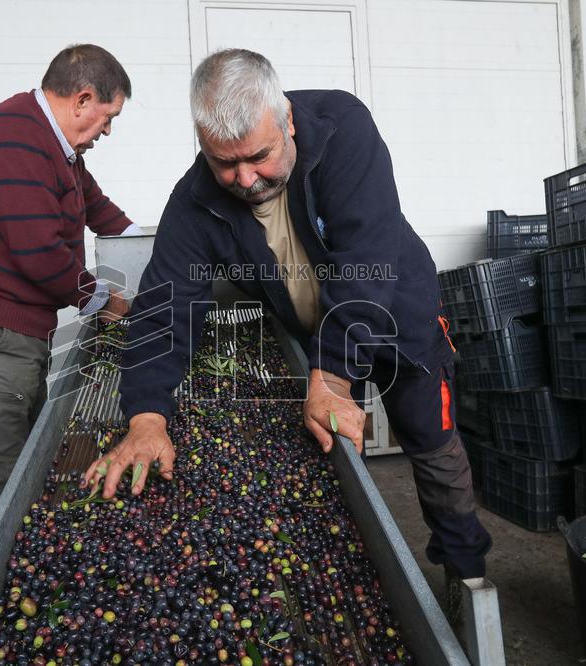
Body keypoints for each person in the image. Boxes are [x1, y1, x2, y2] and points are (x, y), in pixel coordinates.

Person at [84, 49, 492, 588]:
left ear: (288, 121)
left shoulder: (343, 128)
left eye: (259, 156)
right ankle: (351, 574)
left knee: (434, 448)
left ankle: (466, 574)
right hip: (314, 336)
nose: (246, 178)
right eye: (225, 163)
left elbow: (365, 261)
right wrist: (147, 419)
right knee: (331, 451)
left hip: (396, 316)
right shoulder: (194, 200)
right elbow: (166, 308)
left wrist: (332, 378)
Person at [0, 44, 141, 558]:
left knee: (22, 460)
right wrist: (108, 302)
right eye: (108, 117)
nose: (107, 131)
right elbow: (39, 254)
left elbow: (98, 208)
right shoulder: (14, 136)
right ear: (83, 99)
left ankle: (15, 572)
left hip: (9, 329)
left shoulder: (58, 148)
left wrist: (155, 247)